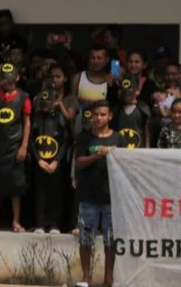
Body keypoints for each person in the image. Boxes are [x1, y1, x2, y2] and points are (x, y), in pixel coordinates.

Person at [74, 101, 124, 287]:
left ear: (110, 116)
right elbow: (78, 162)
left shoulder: (119, 139)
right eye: (96, 114)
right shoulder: (84, 138)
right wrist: (98, 155)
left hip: (112, 197)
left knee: (110, 240)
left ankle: (108, 278)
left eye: (103, 114)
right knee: (85, 239)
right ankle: (86, 276)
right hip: (88, 196)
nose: (99, 118)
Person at [0, 62, 31, 233]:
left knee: (16, 187)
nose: (6, 82)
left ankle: (16, 221)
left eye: (9, 79)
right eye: (4, 79)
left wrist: (24, 146)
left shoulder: (23, 97)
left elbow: (26, 121)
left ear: (17, 78)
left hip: (15, 146)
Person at [30, 81, 69, 234]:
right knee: (39, 192)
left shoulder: (60, 119)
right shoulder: (36, 118)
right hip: (39, 161)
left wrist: (56, 161)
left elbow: (65, 141)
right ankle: (39, 223)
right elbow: (32, 141)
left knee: (55, 193)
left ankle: (54, 224)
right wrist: (38, 159)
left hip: (55, 162)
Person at [113, 74, 150, 149]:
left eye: (130, 89)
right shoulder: (116, 110)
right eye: (123, 88)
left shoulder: (143, 109)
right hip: (120, 151)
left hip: (139, 151)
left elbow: (147, 133)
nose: (126, 92)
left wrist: (147, 150)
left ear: (137, 90)